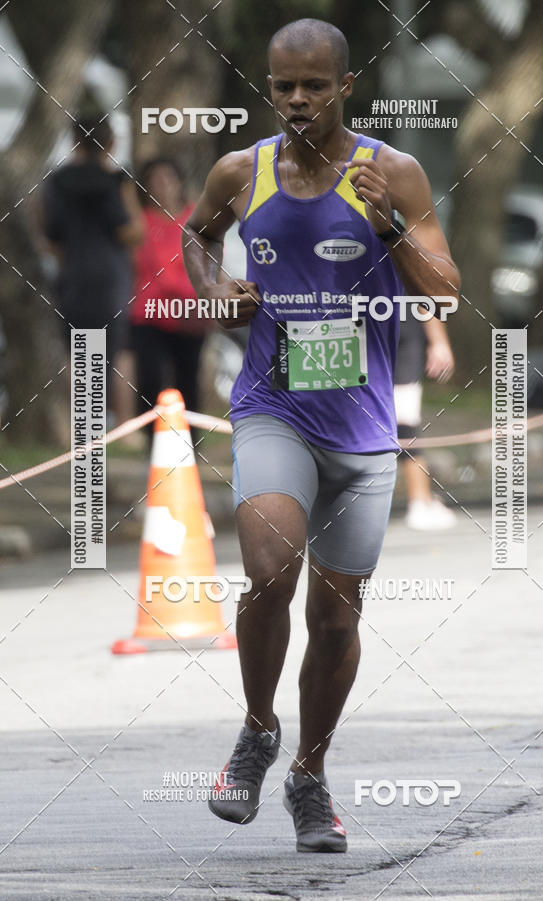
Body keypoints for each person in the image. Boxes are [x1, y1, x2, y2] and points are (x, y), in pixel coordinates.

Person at [183, 19, 460, 853]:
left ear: (345, 85)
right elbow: (197, 237)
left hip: (365, 430)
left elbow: (445, 291)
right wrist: (217, 286)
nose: (297, 100)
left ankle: (309, 773)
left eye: (313, 85)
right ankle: (258, 729)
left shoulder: (394, 174)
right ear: (269, 88)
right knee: (269, 568)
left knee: (337, 621)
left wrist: (391, 228)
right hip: (274, 406)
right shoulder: (242, 170)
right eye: (282, 86)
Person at [41, 116, 144, 415]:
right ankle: (108, 429)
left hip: (72, 276)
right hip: (110, 279)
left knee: (76, 354)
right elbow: (132, 232)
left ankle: (81, 427)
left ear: (74, 141)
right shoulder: (116, 181)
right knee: (111, 354)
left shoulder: (56, 181)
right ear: (111, 142)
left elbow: (50, 237)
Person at [130, 158, 209, 428]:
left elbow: (212, 262)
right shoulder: (138, 223)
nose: (162, 185)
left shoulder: (196, 218)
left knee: (188, 378)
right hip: (149, 314)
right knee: (149, 378)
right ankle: (152, 439)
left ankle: (190, 440)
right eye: (155, 180)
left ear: (178, 183)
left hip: (190, 313)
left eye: (167, 178)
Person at [395, 314, 457, 529]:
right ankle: (420, 501)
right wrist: (439, 341)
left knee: (404, 418)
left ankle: (420, 501)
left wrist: (438, 341)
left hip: (399, 326)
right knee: (403, 420)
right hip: (366, 324)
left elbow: (425, 291)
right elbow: (427, 291)